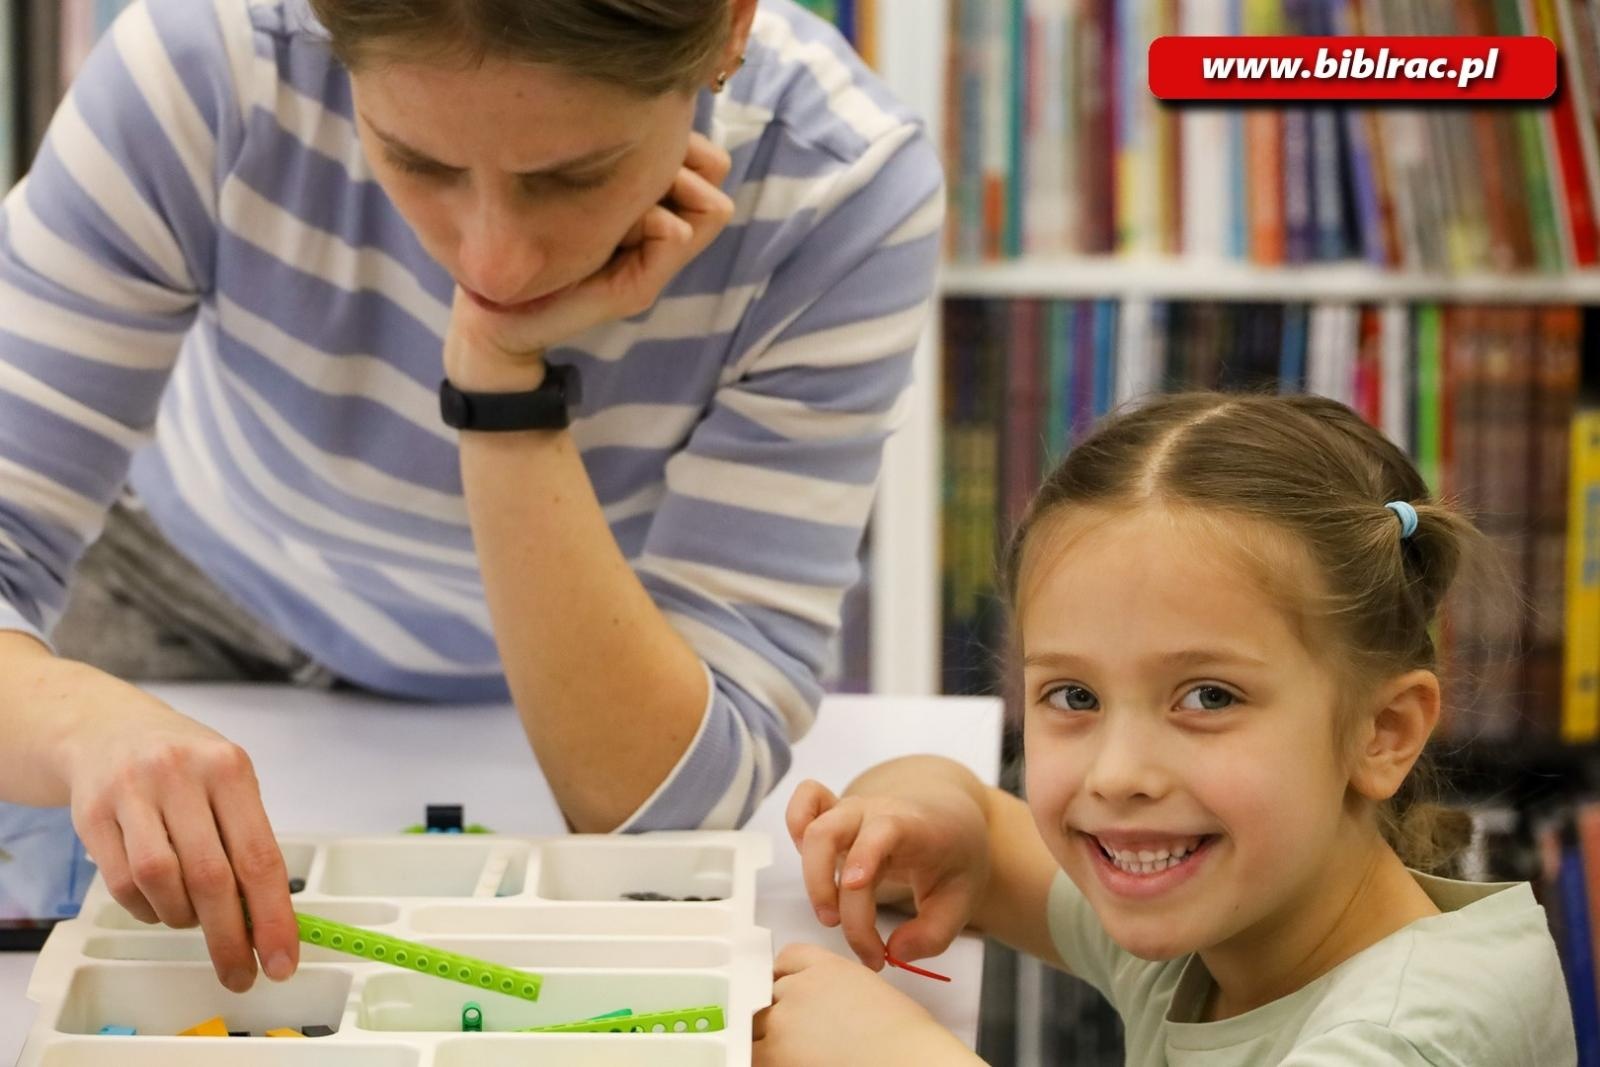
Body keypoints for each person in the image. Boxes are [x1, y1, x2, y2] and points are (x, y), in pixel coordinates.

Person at [0, 0, 943, 993]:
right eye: (419, 161)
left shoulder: (841, 183)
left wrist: (499, 375)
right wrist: (80, 725)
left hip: (561, 675)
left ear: (727, 37)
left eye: (572, 175)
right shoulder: (202, 62)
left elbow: (664, 800)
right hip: (183, 596)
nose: (492, 262)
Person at [757, 392, 1575, 1066]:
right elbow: (988, 835)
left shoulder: (1413, 1035)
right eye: (1074, 696)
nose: (1118, 775)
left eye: (1209, 697)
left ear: (1382, 732)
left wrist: (900, 1055)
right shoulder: (1230, 909)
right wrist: (925, 815)